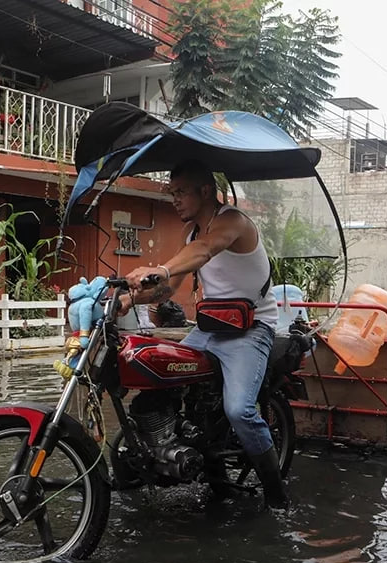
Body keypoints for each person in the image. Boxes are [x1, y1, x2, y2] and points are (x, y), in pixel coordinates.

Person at [120, 160, 287, 509]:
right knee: (161, 376)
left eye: (181, 192)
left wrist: (161, 267)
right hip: (210, 328)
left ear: (205, 191)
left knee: (240, 410)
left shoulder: (233, 222)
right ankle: (195, 461)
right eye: (172, 193)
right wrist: (126, 299)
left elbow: (207, 249)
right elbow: (167, 291)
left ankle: (276, 493)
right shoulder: (190, 233)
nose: (175, 200)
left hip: (252, 329)